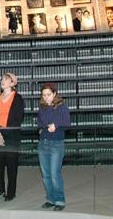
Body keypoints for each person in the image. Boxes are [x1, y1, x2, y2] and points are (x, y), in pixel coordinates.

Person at [0, 72, 24, 201]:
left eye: (6, 79)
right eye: (2, 79)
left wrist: (4, 133)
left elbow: (18, 119)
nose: (2, 81)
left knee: (11, 165)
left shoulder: (18, 99)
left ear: (13, 83)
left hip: (12, 136)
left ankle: (11, 193)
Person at [38, 82, 70, 211]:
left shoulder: (61, 107)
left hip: (56, 143)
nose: (46, 97)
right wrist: (42, 128)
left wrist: (55, 125)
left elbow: (67, 121)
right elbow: (40, 123)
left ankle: (60, 200)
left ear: (55, 94)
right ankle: (50, 199)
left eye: (49, 95)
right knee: (45, 175)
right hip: (43, 143)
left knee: (54, 173)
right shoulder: (42, 107)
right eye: (44, 95)